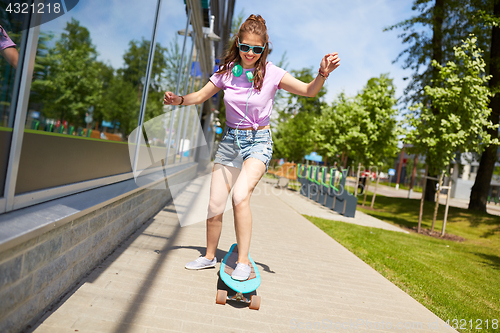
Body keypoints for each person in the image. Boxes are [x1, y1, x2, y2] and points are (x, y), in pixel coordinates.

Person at [164, 14, 340, 281]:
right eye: (245, 47)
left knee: (239, 197)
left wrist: (322, 74)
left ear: (264, 48)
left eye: (257, 49)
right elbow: (199, 96)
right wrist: (179, 100)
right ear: (238, 43)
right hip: (230, 142)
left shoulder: (272, 73)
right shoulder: (226, 73)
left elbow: (308, 91)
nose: (250, 53)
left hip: (258, 142)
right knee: (214, 204)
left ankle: (243, 261)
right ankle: (209, 257)